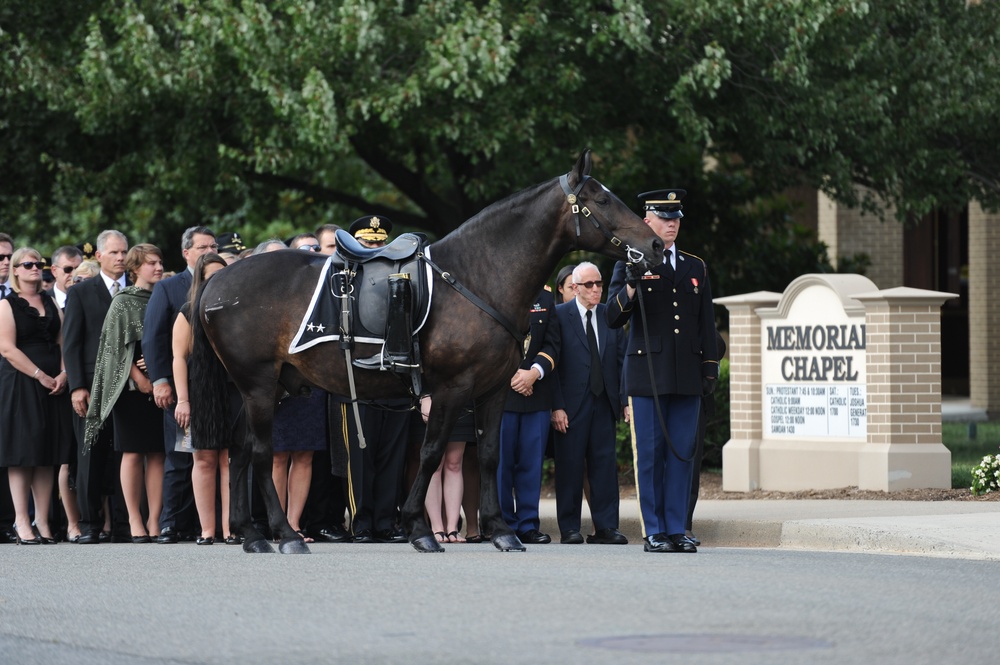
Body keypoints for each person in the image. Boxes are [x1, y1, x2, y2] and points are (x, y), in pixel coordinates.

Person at [607, 189, 720, 554]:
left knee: (682, 454)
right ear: (647, 221)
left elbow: (705, 323)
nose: (672, 224)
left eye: (676, 218)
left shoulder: (694, 266)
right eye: (665, 217)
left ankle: (677, 527)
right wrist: (632, 283)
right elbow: (612, 317)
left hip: (686, 373)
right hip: (647, 375)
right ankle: (654, 529)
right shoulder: (629, 262)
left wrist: (709, 369)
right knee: (652, 454)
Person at [84, 244, 166, 543]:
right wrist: (138, 375)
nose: (157, 268)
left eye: (159, 262)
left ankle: (155, 520)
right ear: (134, 269)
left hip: (163, 384)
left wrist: (159, 370)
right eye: (150, 263)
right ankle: (134, 520)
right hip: (130, 390)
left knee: (158, 454)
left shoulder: (165, 296)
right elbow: (113, 347)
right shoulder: (123, 301)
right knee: (132, 453)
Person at [143, 225, 217, 543]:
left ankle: (201, 525)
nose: (209, 252)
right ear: (186, 252)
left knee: (209, 458)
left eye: (212, 246)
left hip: (214, 388)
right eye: (202, 248)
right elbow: (153, 338)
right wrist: (160, 381)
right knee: (180, 456)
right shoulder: (169, 287)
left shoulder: (223, 283)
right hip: (180, 387)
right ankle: (171, 522)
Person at [340, 215, 409, 543]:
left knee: (391, 459)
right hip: (358, 383)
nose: (376, 249)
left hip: (394, 380)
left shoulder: (403, 279)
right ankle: (361, 522)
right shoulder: (343, 282)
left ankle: (386, 521)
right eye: (368, 243)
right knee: (360, 459)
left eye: (380, 243)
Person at [550, 262, 628, 545]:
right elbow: (553, 363)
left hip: (603, 402)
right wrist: (555, 406)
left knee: (605, 466)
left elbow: (622, 360)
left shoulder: (610, 315)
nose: (595, 290)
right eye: (588, 285)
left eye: (599, 284)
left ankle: (606, 527)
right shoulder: (560, 315)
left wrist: (624, 400)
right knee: (569, 466)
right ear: (575, 288)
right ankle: (569, 528)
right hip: (570, 406)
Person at [0, 248, 73, 544]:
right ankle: (21, 521)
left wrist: (64, 374)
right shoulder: (7, 305)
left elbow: (63, 341)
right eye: (28, 264)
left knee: (47, 452)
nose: (34, 268)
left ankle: (42, 520)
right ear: (16, 270)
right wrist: (39, 375)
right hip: (22, 382)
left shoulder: (51, 301)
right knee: (23, 452)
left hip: (54, 384)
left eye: (38, 264)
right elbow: (7, 349)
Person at [63, 229, 130, 544]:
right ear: (99, 256)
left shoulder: (138, 292)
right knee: (89, 453)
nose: (120, 258)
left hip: (130, 386)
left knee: (126, 453)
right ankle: (90, 523)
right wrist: (77, 386)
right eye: (114, 252)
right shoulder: (81, 292)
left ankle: (122, 523)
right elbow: (72, 344)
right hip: (91, 386)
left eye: (124, 252)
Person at [172, 252, 236, 545]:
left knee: (230, 460)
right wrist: (182, 400)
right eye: (211, 276)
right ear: (200, 279)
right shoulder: (188, 311)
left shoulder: (238, 309)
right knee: (204, 459)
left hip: (233, 388)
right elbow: (178, 358)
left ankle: (230, 528)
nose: (216, 281)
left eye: (221, 275)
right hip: (201, 389)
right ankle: (207, 530)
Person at [498, 287, 560, 544]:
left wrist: (534, 372)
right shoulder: (497, 289)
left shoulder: (545, 298)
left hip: (537, 392)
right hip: (501, 392)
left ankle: (527, 524)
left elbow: (553, 343)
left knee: (531, 464)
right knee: (501, 464)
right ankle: (501, 523)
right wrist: (512, 374)